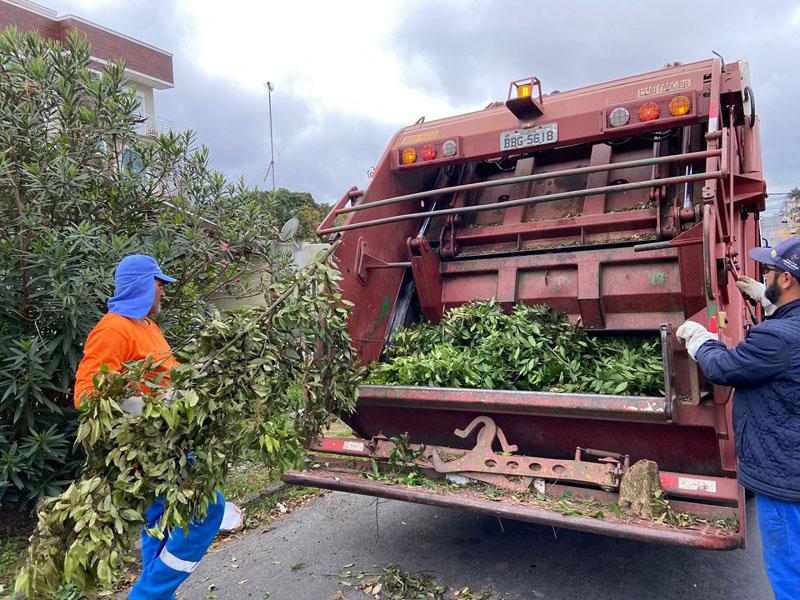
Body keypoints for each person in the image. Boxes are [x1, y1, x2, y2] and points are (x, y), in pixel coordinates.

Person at [74, 254, 225, 600]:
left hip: (169, 447)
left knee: (158, 524)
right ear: (143, 284)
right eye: (159, 284)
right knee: (207, 508)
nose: (163, 292)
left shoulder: (147, 326)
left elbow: (164, 377)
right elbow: (86, 395)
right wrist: (149, 408)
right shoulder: (113, 329)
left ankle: (157, 596)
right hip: (147, 451)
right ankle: (147, 595)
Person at [676, 237, 800, 600]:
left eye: (771, 273)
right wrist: (766, 297)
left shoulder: (777, 339)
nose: (766, 276)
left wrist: (701, 340)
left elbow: (723, 368)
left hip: (785, 478)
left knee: (789, 570)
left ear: (789, 281)